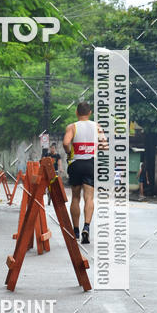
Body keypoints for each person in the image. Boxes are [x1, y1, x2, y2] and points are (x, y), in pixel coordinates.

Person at [62, 102, 107, 245]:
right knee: (89, 198)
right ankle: (86, 227)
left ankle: (75, 230)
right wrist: (93, 148)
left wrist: (70, 153)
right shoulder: (97, 127)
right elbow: (105, 146)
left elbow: (65, 143)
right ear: (90, 113)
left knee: (75, 197)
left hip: (76, 164)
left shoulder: (72, 127)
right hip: (90, 164)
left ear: (76, 112)